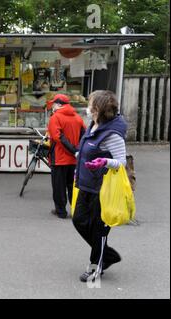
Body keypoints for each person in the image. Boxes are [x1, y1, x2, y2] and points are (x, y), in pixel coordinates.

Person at [73, 90, 126, 282]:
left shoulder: (112, 133)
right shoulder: (94, 125)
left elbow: (121, 162)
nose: (87, 107)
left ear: (97, 109)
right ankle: (107, 254)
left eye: (90, 103)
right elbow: (88, 148)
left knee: (99, 229)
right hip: (87, 184)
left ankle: (96, 266)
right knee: (79, 219)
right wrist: (80, 160)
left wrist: (104, 161)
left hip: (103, 188)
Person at [46, 94, 86, 219]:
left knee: (59, 187)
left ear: (59, 104)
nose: (52, 106)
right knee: (72, 186)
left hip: (59, 158)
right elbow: (84, 135)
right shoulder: (78, 118)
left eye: (53, 104)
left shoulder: (55, 118)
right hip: (74, 159)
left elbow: (58, 137)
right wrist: (76, 150)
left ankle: (61, 211)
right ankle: (76, 211)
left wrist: (72, 150)